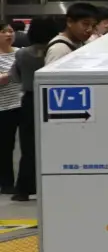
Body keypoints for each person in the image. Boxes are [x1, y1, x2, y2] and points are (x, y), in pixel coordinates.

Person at [10, 15, 62, 201]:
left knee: (28, 145)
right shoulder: (57, 50)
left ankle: (24, 188)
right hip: (54, 99)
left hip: (30, 100)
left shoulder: (22, 54)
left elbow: (15, 77)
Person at [0, 22, 21, 196]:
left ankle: (24, 183)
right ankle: (7, 183)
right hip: (3, 107)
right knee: (6, 147)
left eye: (10, 31)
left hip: (22, 104)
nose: (8, 34)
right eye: (3, 32)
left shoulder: (20, 53)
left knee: (27, 146)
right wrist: (12, 74)